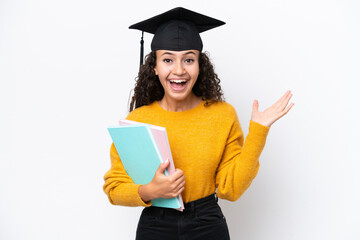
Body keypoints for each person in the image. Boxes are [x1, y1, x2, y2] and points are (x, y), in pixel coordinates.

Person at [103, 7, 294, 240]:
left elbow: (230, 190)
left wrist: (258, 132)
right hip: (155, 226)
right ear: (154, 66)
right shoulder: (137, 121)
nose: (179, 70)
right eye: (167, 60)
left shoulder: (222, 115)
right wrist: (149, 191)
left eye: (189, 59)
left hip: (207, 224)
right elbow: (114, 188)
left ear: (200, 65)